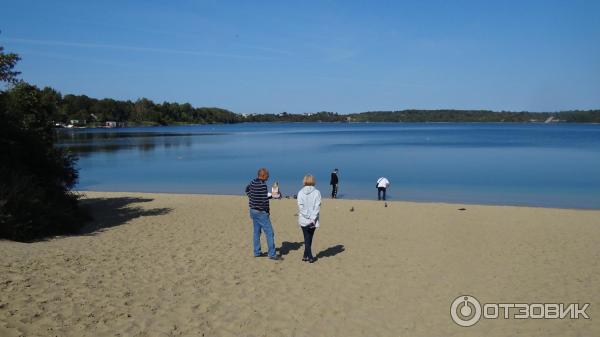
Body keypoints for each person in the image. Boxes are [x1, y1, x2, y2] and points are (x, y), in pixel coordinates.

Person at [245, 168, 280, 260]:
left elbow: (247, 189)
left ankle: (256, 252)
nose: (268, 177)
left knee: (256, 232)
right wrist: (274, 195)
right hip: (261, 212)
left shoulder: (253, 182)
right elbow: (264, 200)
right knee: (270, 233)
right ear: (263, 175)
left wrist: (252, 197)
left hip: (253, 210)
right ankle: (272, 254)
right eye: (267, 175)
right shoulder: (262, 185)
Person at [297, 174, 321, 263]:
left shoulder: (300, 192)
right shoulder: (317, 192)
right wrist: (312, 217)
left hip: (304, 219)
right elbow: (317, 207)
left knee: (307, 238)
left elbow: (301, 207)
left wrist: (308, 216)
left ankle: (305, 255)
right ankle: (310, 256)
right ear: (313, 181)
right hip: (312, 220)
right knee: (308, 238)